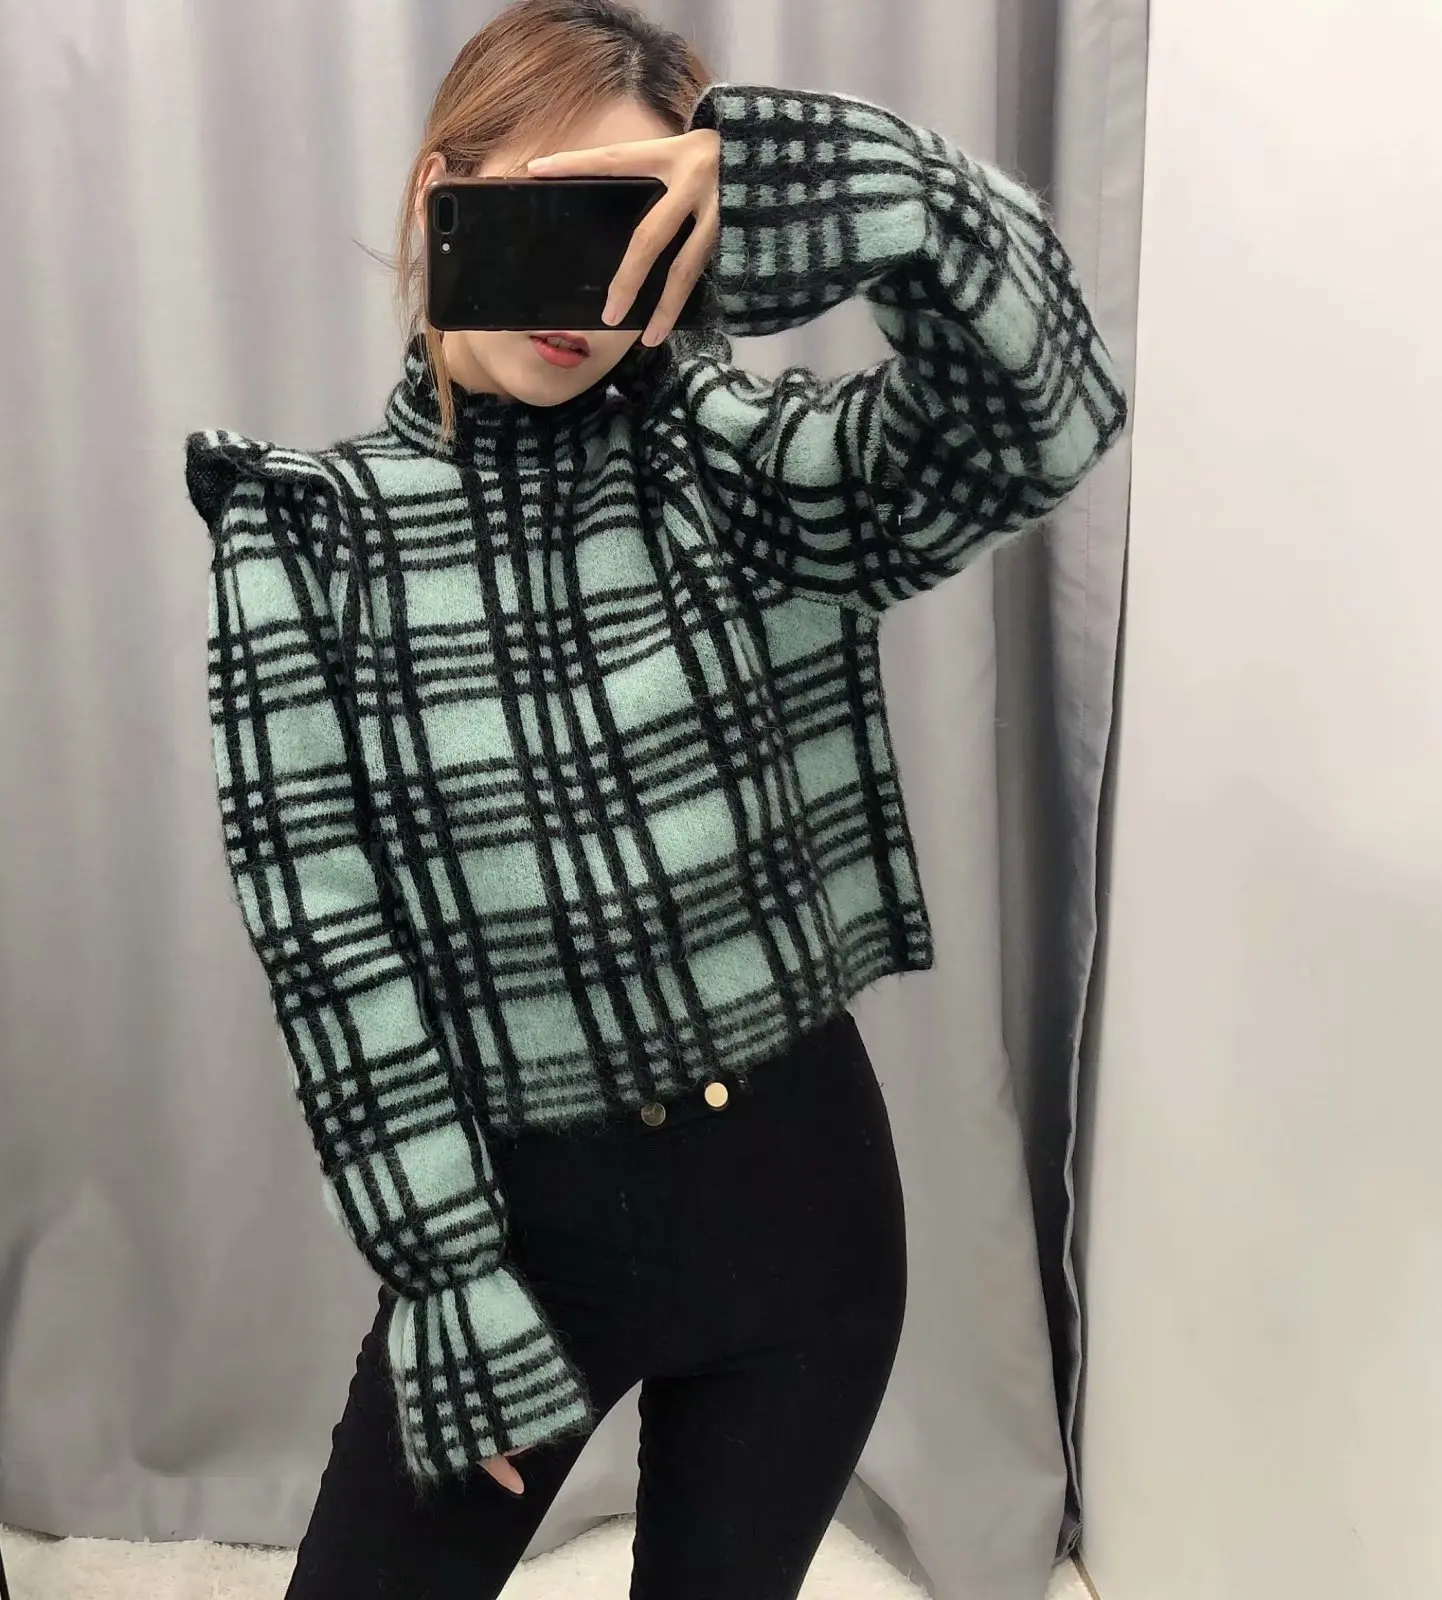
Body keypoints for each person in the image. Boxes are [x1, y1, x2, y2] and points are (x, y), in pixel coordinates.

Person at [185, 1, 1128, 1595]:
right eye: (552, 208)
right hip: (522, 1244)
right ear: (437, 193)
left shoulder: (730, 468)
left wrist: (843, 187)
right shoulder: (309, 537)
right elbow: (327, 948)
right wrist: (446, 1280)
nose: (589, 287)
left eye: (636, 228)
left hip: (808, 1217)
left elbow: (1049, 422)